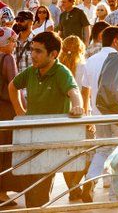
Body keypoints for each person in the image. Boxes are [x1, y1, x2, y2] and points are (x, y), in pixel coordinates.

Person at [9, 31, 84, 208]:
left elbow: (74, 92)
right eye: (32, 50)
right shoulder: (31, 71)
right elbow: (13, 86)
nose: (33, 55)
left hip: (51, 139)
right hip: (31, 136)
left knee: (40, 187)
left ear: (53, 54)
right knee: (29, 185)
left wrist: (77, 106)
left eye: (38, 51)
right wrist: (20, 113)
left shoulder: (60, 72)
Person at [82, 25, 118, 188]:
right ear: (116, 41)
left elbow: (85, 89)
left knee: (102, 149)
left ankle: (92, 179)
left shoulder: (91, 60)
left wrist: (86, 114)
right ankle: (116, 184)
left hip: (98, 112)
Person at [59, 35, 90, 202]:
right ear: (81, 48)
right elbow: (86, 93)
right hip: (81, 112)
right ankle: (75, 185)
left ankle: (71, 187)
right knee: (88, 153)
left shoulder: (58, 67)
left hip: (63, 113)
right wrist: (86, 115)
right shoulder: (84, 66)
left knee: (67, 155)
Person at [0, 28, 17, 204]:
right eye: (12, 41)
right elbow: (14, 86)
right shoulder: (7, 58)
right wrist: (22, 111)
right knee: (4, 152)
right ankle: (2, 192)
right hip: (5, 110)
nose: (14, 45)